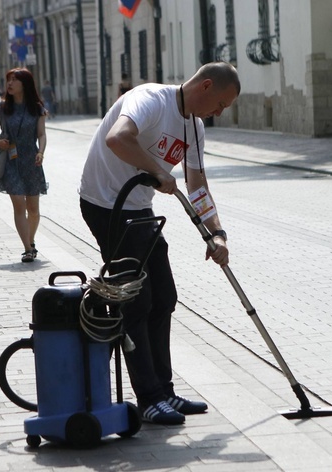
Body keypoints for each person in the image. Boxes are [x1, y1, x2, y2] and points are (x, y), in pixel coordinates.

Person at [78, 61, 239, 425]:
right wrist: (157, 171)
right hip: (106, 204)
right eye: (221, 104)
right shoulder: (150, 99)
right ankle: (149, 398)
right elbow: (117, 138)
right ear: (207, 86)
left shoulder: (194, 128)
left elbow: (197, 183)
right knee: (137, 301)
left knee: (164, 297)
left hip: (138, 208)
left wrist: (216, 232)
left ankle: (164, 390)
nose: (219, 113)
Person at [0, 68, 48, 263]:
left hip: (31, 161)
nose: (10, 84)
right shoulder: (1, 108)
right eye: (8, 80)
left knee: (33, 209)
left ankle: (31, 241)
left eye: (14, 80)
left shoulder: (36, 108)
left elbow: (41, 134)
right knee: (18, 206)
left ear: (25, 84)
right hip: (11, 162)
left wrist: (41, 152)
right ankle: (27, 249)